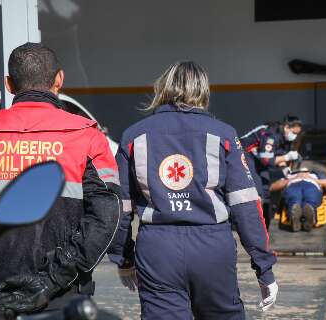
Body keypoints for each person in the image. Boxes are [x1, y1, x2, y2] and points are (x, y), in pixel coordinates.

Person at [0, 43, 121, 316]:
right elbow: (106, 218)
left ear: (9, 84)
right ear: (59, 79)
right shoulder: (88, 138)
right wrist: (49, 282)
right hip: (61, 300)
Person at [108, 61, 277, 319]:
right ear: (203, 91)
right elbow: (246, 206)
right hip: (212, 245)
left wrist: (123, 257)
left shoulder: (134, 136)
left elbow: (120, 206)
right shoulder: (225, 134)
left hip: (157, 249)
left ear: (162, 89)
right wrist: (264, 268)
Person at [240, 116, 303, 229]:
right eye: (294, 132)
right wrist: (288, 157)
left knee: (265, 190)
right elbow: (267, 159)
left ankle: (265, 226)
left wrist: (286, 171)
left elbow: (279, 156)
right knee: (257, 191)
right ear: (287, 127)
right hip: (244, 154)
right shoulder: (271, 134)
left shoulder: (285, 138)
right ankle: (251, 226)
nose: (295, 136)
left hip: (258, 159)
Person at [270, 168, 326, 232]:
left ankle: (308, 213)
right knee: (294, 199)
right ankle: (295, 216)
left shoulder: (315, 175)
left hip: (312, 184)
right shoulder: (290, 176)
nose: (302, 173)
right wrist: (291, 179)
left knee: (311, 198)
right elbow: (273, 187)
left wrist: (314, 180)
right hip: (293, 185)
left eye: (305, 172)